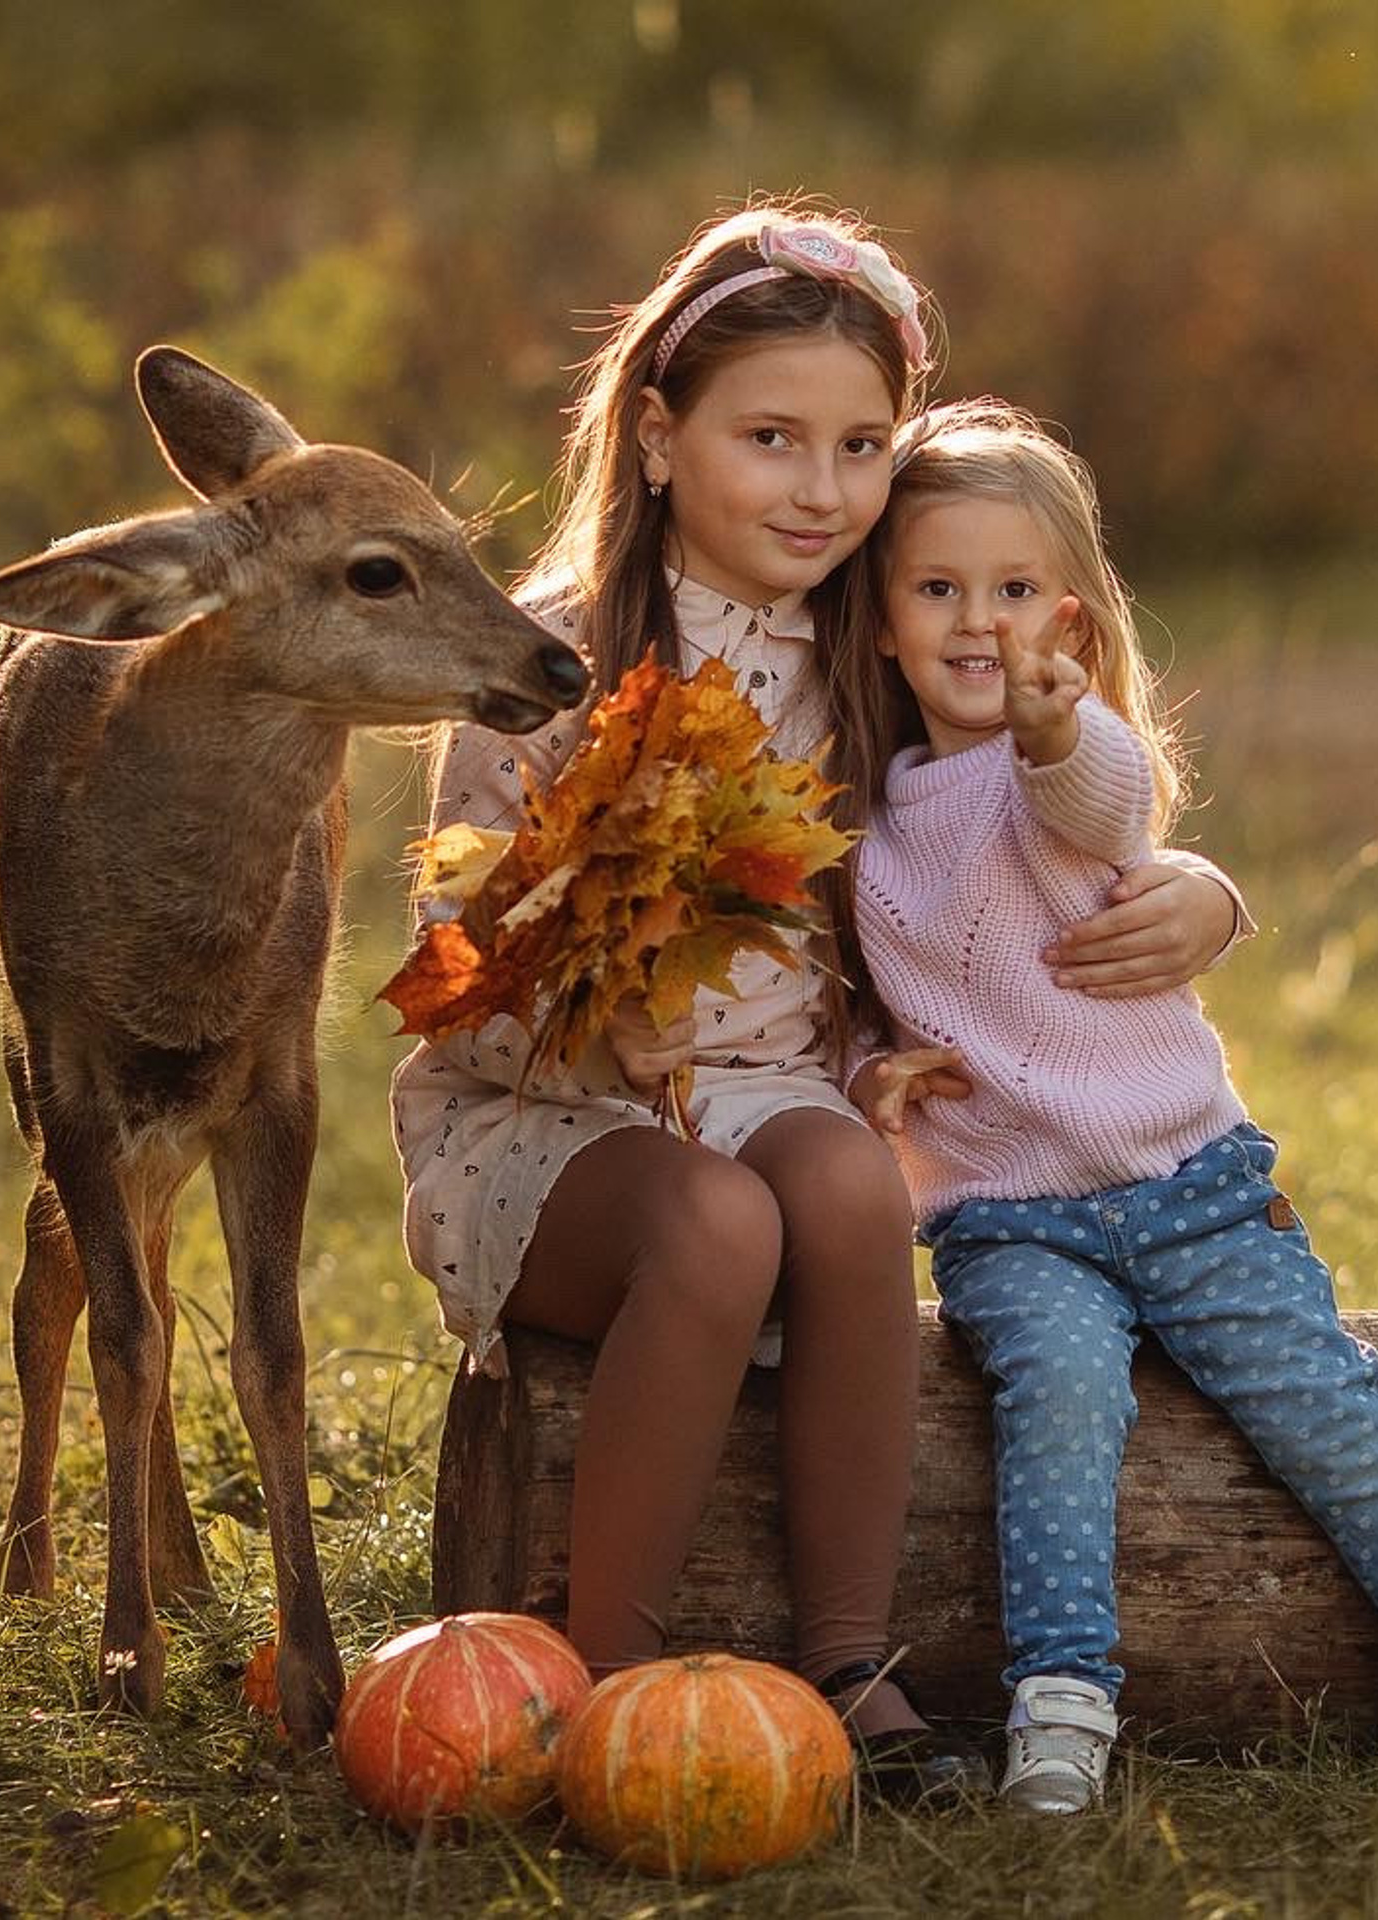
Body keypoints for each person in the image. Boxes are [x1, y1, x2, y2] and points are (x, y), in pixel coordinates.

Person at [389, 205, 1248, 1802]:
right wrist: (575, 1021)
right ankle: (611, 1678)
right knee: (715, 1224)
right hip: (546, 1115)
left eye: (862, 445)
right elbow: (448, 967)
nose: (822, 487)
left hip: (776, 1094)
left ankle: (847, 1661)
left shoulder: (870, 638)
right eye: (770, 437)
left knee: (846, 1188)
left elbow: (1050, 797)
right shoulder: (556, 659)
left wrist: (1198, 887)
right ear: (657, 435)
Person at [838, 399, 1378, 1814]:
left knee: (1328, 1411)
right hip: (1010, 1223)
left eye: (1011, 596)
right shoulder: (868, 834)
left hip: (1193, 1190)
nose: (977, 626)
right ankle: (1064, 1703)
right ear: (878, 622)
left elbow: (1110, 807)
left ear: (1069, 625)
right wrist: (872, 1078)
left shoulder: (1062, 764)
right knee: (1057, 1407)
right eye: (937, 590)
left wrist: (1062, 730)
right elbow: (865, 1015)